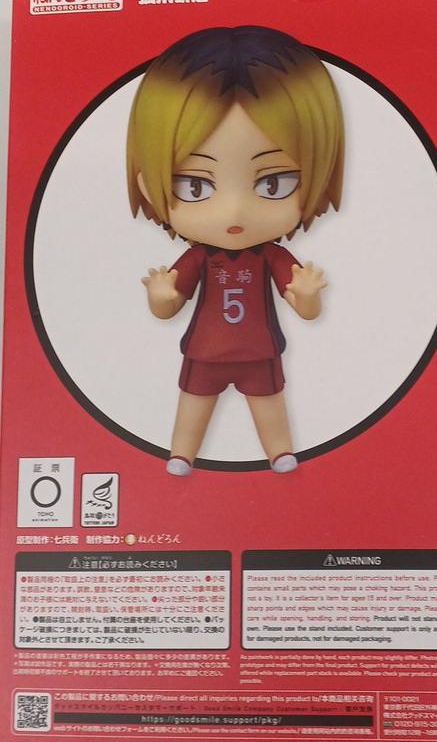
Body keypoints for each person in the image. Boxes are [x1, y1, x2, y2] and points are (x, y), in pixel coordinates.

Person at [126, 25, 344, 476]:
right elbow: (169, 307)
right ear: (149, 183)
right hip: (204, 350)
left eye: (274, 183)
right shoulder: (198, 259)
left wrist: (307, 296)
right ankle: (181, 452)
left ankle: (279, 451)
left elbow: (304, 309)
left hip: (259, 349)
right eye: (194, 185)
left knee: (269, 402)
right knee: (193, 400)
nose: (234, 211)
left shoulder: (272, 257)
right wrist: (160, 297)